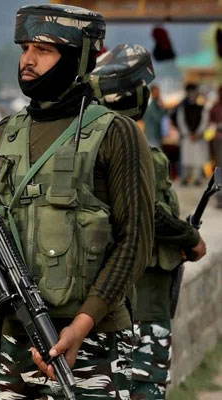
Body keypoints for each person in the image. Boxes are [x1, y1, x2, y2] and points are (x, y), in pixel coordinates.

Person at [0, 4, 155, 399]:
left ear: (79, 57)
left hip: (92, 341)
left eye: (44, 50)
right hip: (12, 338)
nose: (28, 60)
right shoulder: (5, 133)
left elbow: (134, 242)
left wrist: (82, 324)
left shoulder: (116, 133)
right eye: (24, 48)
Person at [91, 43, 207, 400]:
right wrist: (190, 239)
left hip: (106, 290)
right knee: (146, 384)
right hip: (144, 292)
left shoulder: (91, 142)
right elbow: (149, 214)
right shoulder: (136, 147)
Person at [176, 83, 210, 186]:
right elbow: (180, 121)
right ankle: (185, 177)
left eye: (193, 91)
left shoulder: (202, 108)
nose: (192, 94)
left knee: (198, 159)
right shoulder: (182, 108)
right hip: (187, 138)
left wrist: (198, 133)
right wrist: (188, 133)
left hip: (198, 138)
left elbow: (204, 121)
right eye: (190, 91)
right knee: (186, 159)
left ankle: (197, 178)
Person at [209, 87, 222, 207]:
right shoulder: (215, 107)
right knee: (219, 169)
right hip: (219, 140)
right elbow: (211, 123)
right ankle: (219, 197)